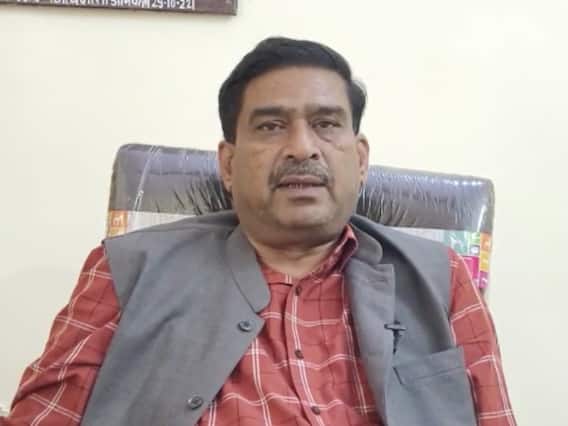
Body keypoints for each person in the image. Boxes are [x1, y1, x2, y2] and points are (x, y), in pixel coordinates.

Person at [1, 37, 516, 426]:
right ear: (228, 164)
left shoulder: (441, 277)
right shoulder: (126, 270)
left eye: (326, 124)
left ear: (360, 160)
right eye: (271, 126)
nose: (302, 147)